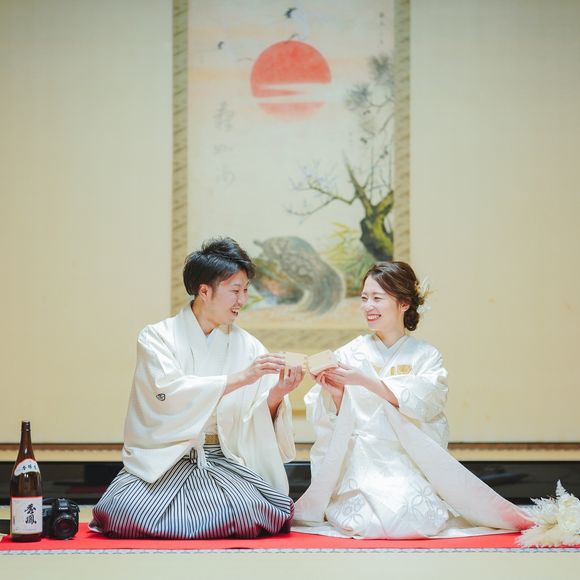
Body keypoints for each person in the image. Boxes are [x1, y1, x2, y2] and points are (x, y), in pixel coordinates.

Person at [293, 261, 531, 539]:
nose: (368, 306)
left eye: (377, 298)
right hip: (363, 462)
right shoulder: (349, 353)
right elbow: (332, 416)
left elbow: (428, 403)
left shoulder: (426, 356)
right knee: (368, 523)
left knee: (412, 519)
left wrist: (365, 380)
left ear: (404, 303)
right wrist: (336, 396)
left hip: (406, 461)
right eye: (364, 298)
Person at [90, 237, 303, 539]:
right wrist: (241, 377)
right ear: (204, 291)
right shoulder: (157, 337)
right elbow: (169, 392)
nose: (242, 300)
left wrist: (278, 394)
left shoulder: (248, 345)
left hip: (221, 458)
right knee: (123, 512)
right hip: (166, 460)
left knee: (250, 509)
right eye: (235, 291)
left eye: (245, 291)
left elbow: (255, 415)